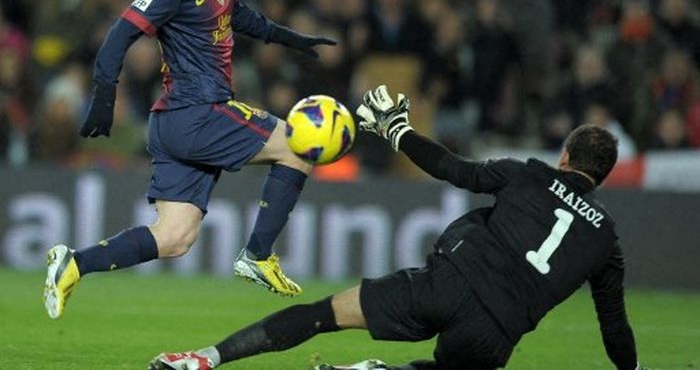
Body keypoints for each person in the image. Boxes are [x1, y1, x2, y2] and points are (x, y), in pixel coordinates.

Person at [147, 85, 649, 370]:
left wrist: (398, 132)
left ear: (563, 156)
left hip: (447, 283)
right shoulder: (607, 240)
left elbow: (453, 168)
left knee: (323, 314)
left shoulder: (530, 174)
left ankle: (204, 359)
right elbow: (614, 327)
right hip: (495, 332)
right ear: (603, 178)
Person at [43, 0, 337, 320]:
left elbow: (233, 12)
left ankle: (74, 263)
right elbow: (118, 35)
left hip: (176, 123)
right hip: (199, 111)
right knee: (300, 146)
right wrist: (104, 96)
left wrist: (285, 37)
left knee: (174, 237)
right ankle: (258, 255)